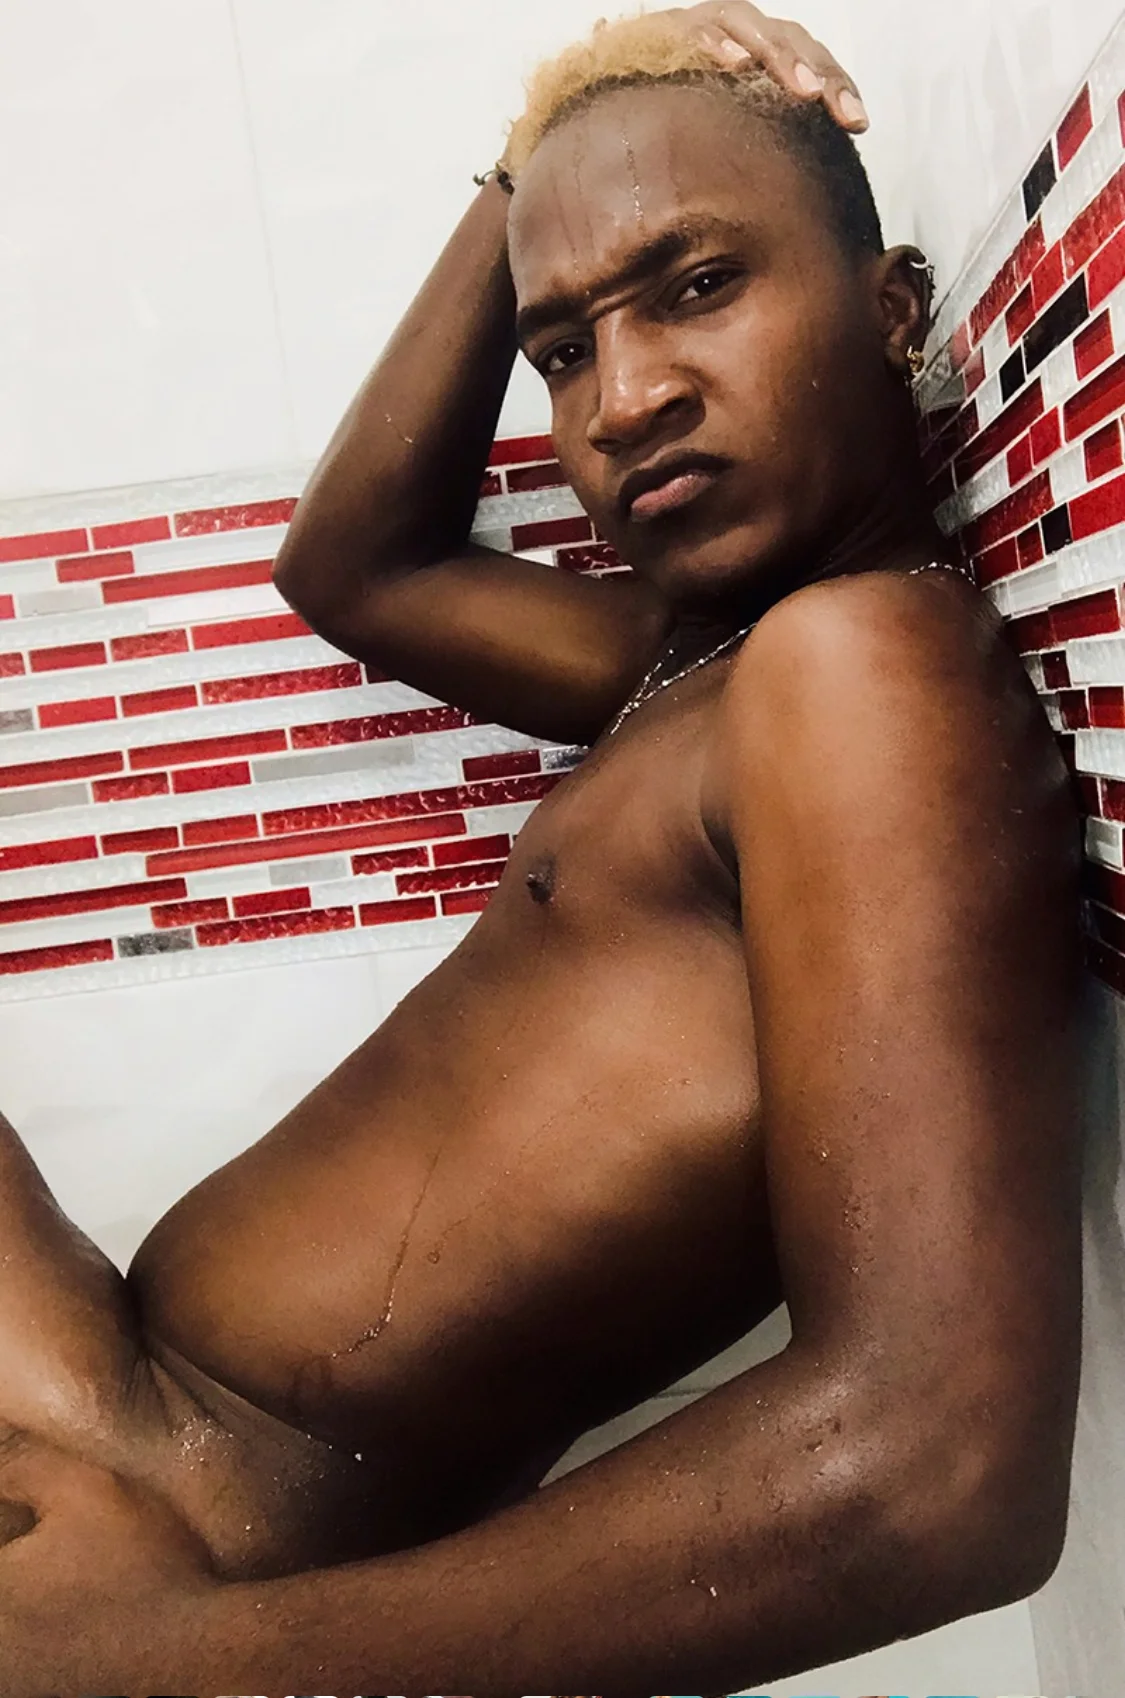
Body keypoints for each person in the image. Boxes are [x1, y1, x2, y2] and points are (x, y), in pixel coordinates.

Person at [0, 4, 1084, 1692]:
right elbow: (355, 564)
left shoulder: (859, 669)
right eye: (563, 349)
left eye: (698, 284)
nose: (624, 399)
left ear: (893, 311)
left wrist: (164, 1662)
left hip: (190, 1535)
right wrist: (531, 157)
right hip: (115, 1405)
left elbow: (939, 1466)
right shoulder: (696, 663)